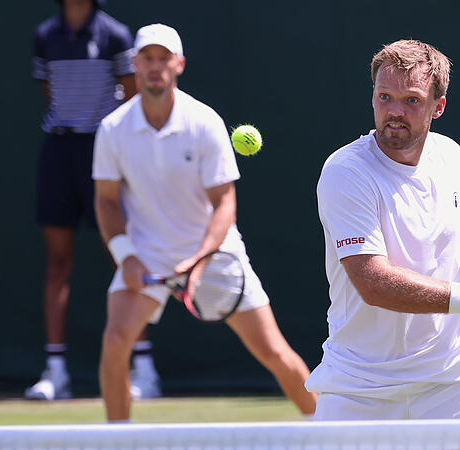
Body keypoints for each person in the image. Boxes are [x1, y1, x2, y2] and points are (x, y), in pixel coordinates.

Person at [306, 39, 460, 420]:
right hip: (362, 387)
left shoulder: (450, 156)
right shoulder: (346, 172)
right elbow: (374, 283)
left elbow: (444, 256)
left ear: (437, 106)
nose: (394, 111)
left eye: (411, 100)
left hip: (457, 378)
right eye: (384, 96)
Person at [92, 23, 317, 422]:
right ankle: (119, 441)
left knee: (274, 352)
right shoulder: (113, 130)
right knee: (115, 342)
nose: (156, 66)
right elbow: (107, 202)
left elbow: (225, 202)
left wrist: (201, 258)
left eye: (164, 58)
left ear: (179, 64)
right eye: (148, 58)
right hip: (148, 253)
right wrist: (126, 257)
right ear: (135, 64)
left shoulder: (204, 121)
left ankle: (333, 435)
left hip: (215, 253)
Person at [27, 0, 162, 401]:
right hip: (60, 153)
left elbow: (131, 96)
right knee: (57, 263)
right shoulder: (45, 36)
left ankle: (144, 370)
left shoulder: (115, 35)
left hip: (105, 154)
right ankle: (55, 372)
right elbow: (50, 91)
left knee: (125, 259)